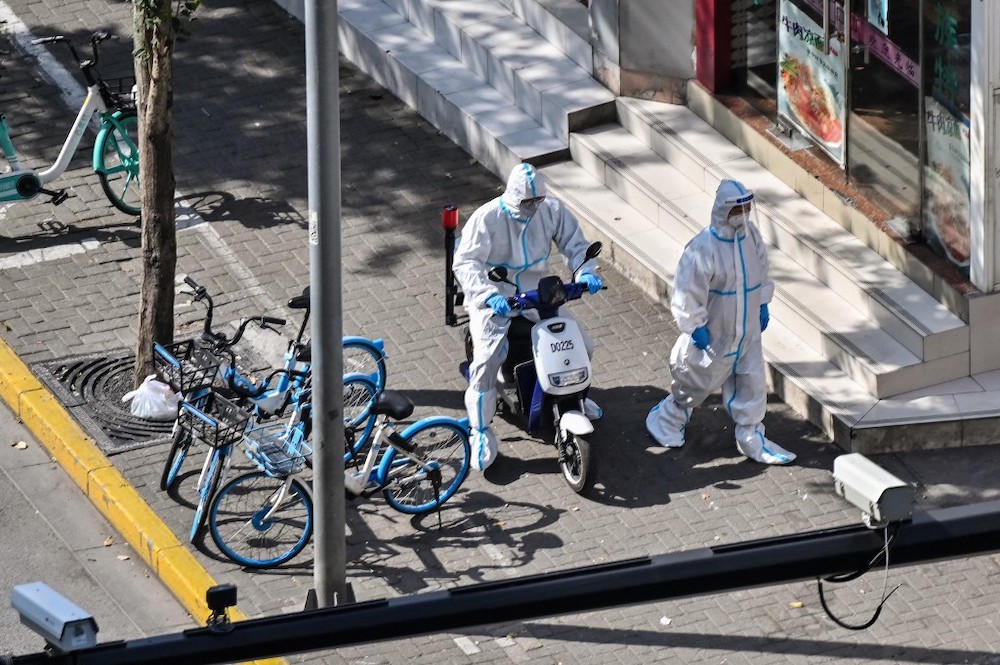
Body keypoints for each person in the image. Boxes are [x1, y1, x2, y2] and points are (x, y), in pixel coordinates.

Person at [453, 162, 603, 471]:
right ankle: (479, 429)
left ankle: (573, 399)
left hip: (539, 295)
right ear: (513, 196)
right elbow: (466, 263)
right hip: (498, 298)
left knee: (582, 346)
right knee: (487, 359)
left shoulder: (551, 210)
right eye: (527, 201)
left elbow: (576, 245)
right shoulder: (487, 218)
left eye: (537, 200)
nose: (533, 207)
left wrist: (586, 272)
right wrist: (487, 295)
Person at [645, 179, 796, 465]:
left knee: (751, 380)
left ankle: (751, 435)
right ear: (724, 210)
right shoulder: (704, 247)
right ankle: (668, 418)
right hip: (715, 332)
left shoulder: (750, 236)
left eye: (746, 207)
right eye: (738, 208)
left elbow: (761, 270)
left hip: (747, 330)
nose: (744, 213)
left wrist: (762, 301)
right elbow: (688, 289)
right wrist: (694, 324)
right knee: (696, 383)